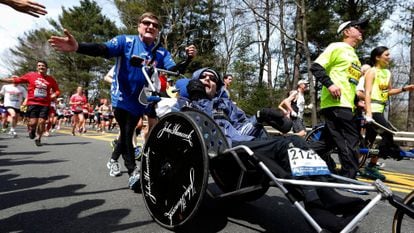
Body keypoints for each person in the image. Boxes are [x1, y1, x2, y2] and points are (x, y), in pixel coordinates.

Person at [172, 67, 367, 232]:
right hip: (220, 148)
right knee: (289, 143)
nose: (208, 80)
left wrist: (258, 117)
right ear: (194, 83)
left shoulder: (227, 105)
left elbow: (242, 128)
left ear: (218, 87)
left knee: (295, 144)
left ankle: (323, 199)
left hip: (243, 144)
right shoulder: (185, 103)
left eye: (213, 78)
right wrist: (198, 97)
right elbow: (192, 131)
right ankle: (320, 204)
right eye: (203, 77)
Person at [48, 12, 197, 191]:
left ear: (157, 32)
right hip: (121, 96)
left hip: (140, 99)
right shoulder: (125, 41)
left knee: (127, 133)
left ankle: (112, 160)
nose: (150, 26)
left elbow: (174, 70)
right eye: (146, 23)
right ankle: (133, 171)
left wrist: (188, 59)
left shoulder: (161, 52)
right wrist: (78, 46)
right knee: (127, 130)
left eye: (154, 25)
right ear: (139, 26)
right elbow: (102, 49)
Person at [309, 19, 369, 179]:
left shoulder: (355, 57)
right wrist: (330, 85)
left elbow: (350, 84)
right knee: (350, 138)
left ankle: (291, 158)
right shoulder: (336, 47)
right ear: (347, 31)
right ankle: (349, 178)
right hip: (336, 103)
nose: (361, 31)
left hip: (347, 105)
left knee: (326, 143)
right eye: (358, 28)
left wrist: (358, 102)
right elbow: (316, 67)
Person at [362, 46, 414, 180]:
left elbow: (388, 92)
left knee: (369, 141)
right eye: (386, 55)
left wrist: (404, 89)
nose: (389, 57)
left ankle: (363, 165)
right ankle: (389, 155)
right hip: (372, 109)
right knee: (389, 133)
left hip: (381, 109)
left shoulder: (388, 73)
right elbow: (367, 92)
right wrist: (368, 112)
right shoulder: (371, 72)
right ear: (377, 57)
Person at [0, 60, 60, 146]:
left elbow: (57, 91)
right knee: (33, 123)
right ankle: (32, 130)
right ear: (37, 67)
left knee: (42, 122)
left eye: (43, 66)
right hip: (32, 102)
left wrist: (53, 96)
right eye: (39, 66)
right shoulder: (31, 75)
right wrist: (1, 79)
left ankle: (38, 138)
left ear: (46, 68)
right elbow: (16, 80)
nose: (41, 67)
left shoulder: (51, 79)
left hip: (45, 104)